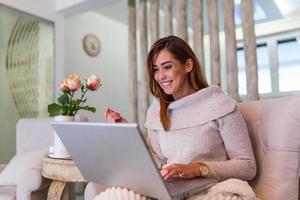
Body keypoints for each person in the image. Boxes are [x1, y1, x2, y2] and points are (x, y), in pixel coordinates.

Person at [100, 35, 257, 199]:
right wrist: (126, 133)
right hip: (170, 191)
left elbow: (247, 166)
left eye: (167, 67)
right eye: (155, 69)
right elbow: (156, 162)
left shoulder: (220, 105)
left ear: (188, 65)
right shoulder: (156, 111)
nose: (160, 76)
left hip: (209, 189)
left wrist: (198, 168)